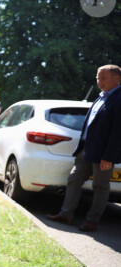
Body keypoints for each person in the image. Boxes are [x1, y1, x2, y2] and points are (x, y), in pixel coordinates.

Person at [47, 65, 121, 232]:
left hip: (103, 154)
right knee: (74, 179)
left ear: (116, 78)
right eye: (97, 78)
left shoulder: (118, 98)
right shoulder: (101, 97)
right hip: (86, 149)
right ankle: (66, 215)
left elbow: (118, 132)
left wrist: (109, 156)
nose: (99, 82)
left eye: (103, 78)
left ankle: (92, 220)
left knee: (100, 186)